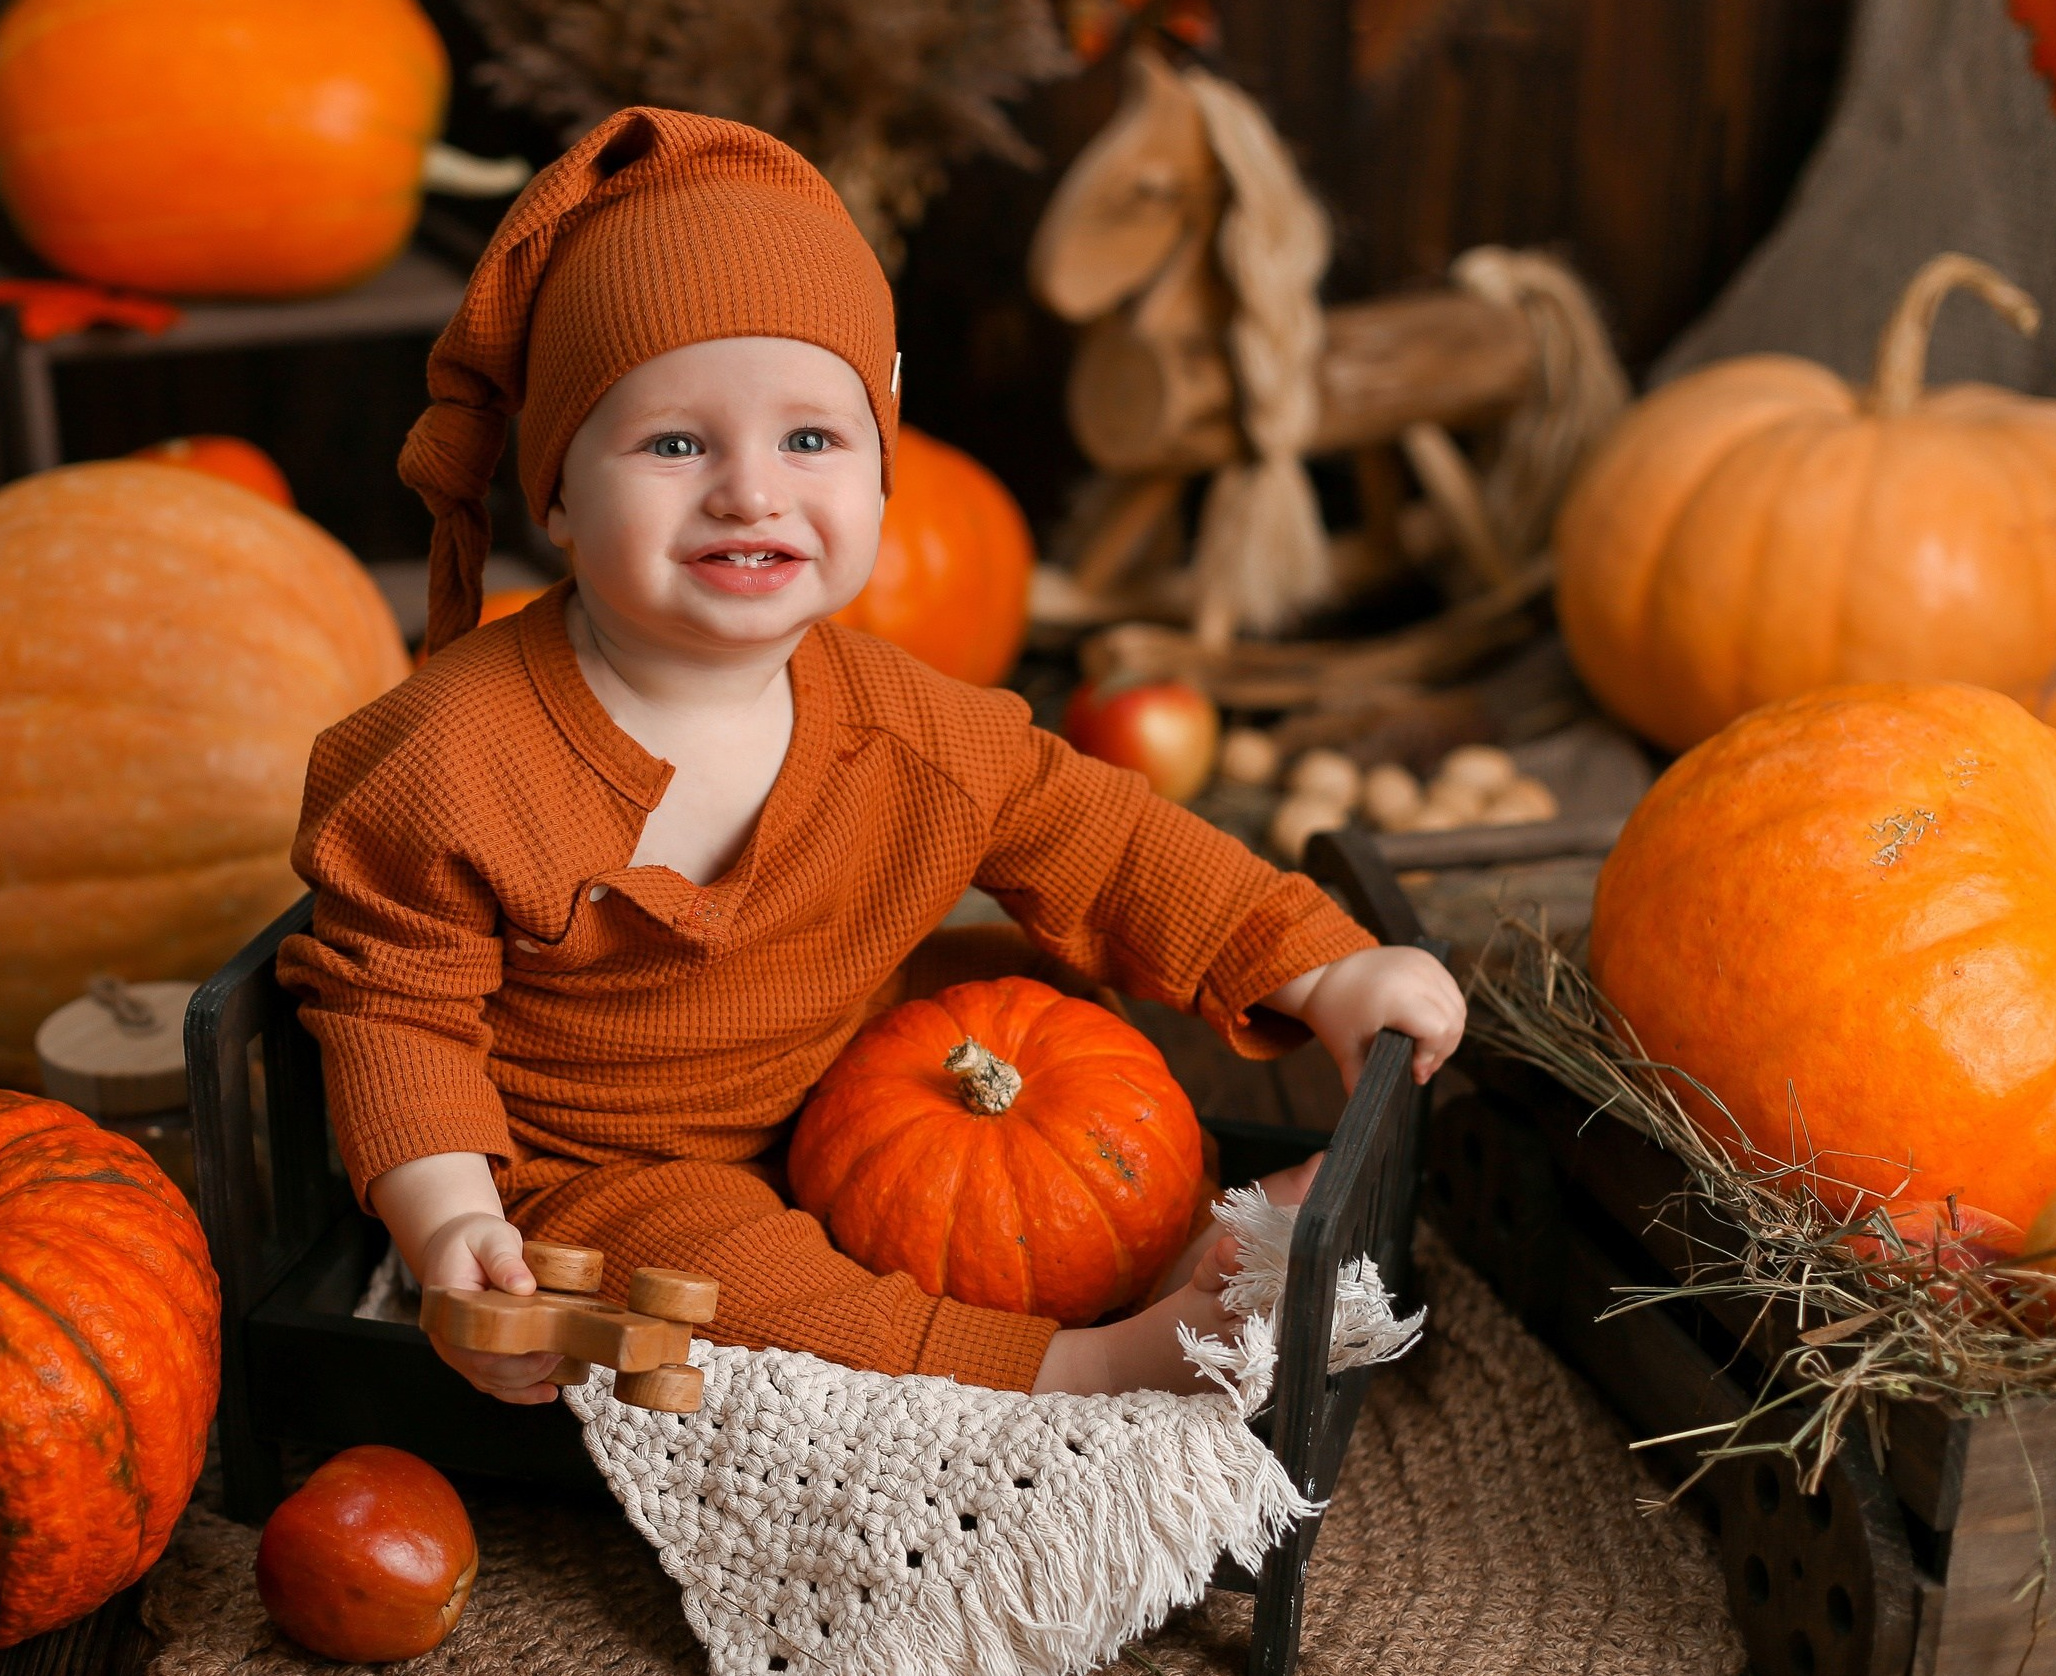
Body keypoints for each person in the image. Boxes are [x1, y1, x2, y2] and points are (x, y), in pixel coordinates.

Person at [278, 107, 1465, 1406]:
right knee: (709, 1280)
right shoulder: (452, 757)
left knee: (1035, 1002)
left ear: (879, 471)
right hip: (604, 1164)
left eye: (810, 439)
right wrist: (451, 1229)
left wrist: (1323, 965)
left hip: (849, 1083)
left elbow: (1112, 845)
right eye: (676, 443)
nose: (750, 491)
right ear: (557, 492)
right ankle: (1079, 1367)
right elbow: (398, 1018)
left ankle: (1181, 1229)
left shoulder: (906, 726)